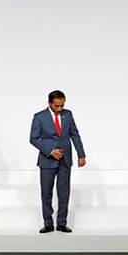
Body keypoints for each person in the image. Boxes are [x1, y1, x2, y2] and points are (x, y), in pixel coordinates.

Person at [29, 90, 86, 233]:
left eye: (62, 105)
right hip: (47, 160)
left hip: (65, 160)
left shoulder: (68, 114)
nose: (60, 108)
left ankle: (61, 223)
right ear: (49, 103)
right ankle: (48, 223)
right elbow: (33, 139)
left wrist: (81, 154)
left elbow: (75, 134)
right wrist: (50, 151)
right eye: (56, 106)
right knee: (46, 193)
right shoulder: (39, 117)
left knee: (64, 193)